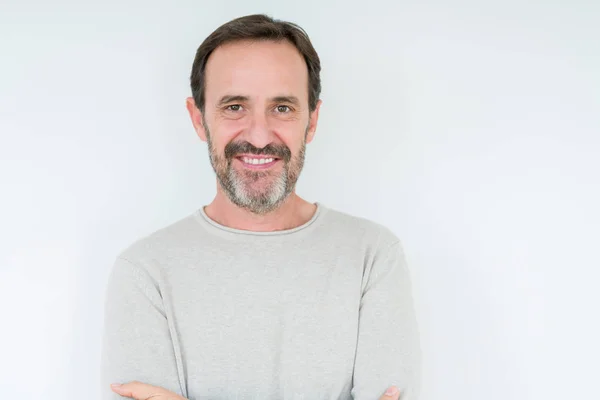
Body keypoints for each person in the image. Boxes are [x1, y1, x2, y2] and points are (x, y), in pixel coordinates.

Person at [100, 13, 421, 400]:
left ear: (312, 120)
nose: (258, 135)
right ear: (198, 118)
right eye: (234, 107)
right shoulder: (144, 272)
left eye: (282, 108)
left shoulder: (372, 257)